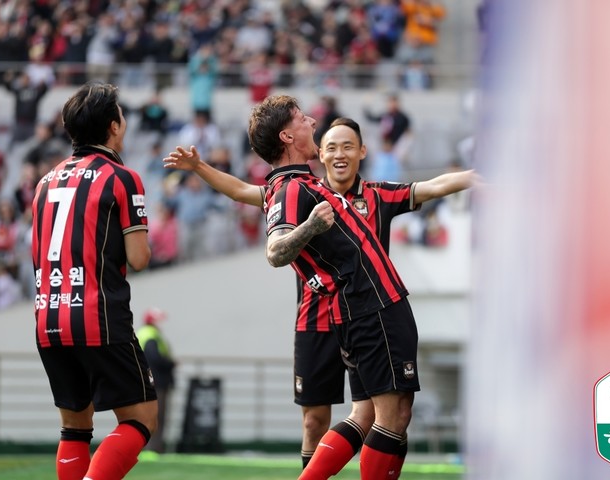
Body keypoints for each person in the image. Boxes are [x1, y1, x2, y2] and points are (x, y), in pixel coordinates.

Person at [164, 110, 477, 479]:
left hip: (359, 308)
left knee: (375, 412)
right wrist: (310, 225)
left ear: (362, 152)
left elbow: (434, 186)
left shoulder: (336, 189)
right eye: (304, 120)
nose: (313, 122)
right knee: (365, 417)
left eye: (348, 145)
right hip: (356, 308)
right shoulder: (294, 190)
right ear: (312, 149)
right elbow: (274, 248)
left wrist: (476, 177)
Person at [31, 82, 157, 480]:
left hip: (49, 317)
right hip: (97, 315)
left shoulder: (44, 182)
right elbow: (139, 258)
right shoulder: (122, 178)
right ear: (114, 126)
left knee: (75, 427)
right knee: (141, 418)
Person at [136, 308, 176, 453]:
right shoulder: (152, 336)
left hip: (146, 382)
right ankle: (154, 448)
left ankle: (147, 447)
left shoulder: (143, 333)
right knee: (157, 417)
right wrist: (171, 363)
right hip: (157, 383)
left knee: (146, 416)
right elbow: (155, 359)